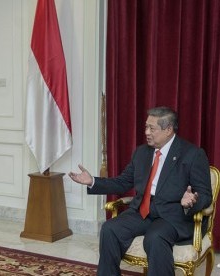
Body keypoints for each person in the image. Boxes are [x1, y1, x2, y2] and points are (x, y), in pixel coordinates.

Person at [68, 106, 212, 276]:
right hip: (142, 211)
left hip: (172, 214)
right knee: (110, 229)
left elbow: (205, 194)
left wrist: (191, 201)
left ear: (168, 130)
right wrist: (92, 181)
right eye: (145, 127)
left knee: (155, 237)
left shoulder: (192, 154)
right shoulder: (141, 153)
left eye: (152, 128)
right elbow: (123, 182)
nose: (146, 132)